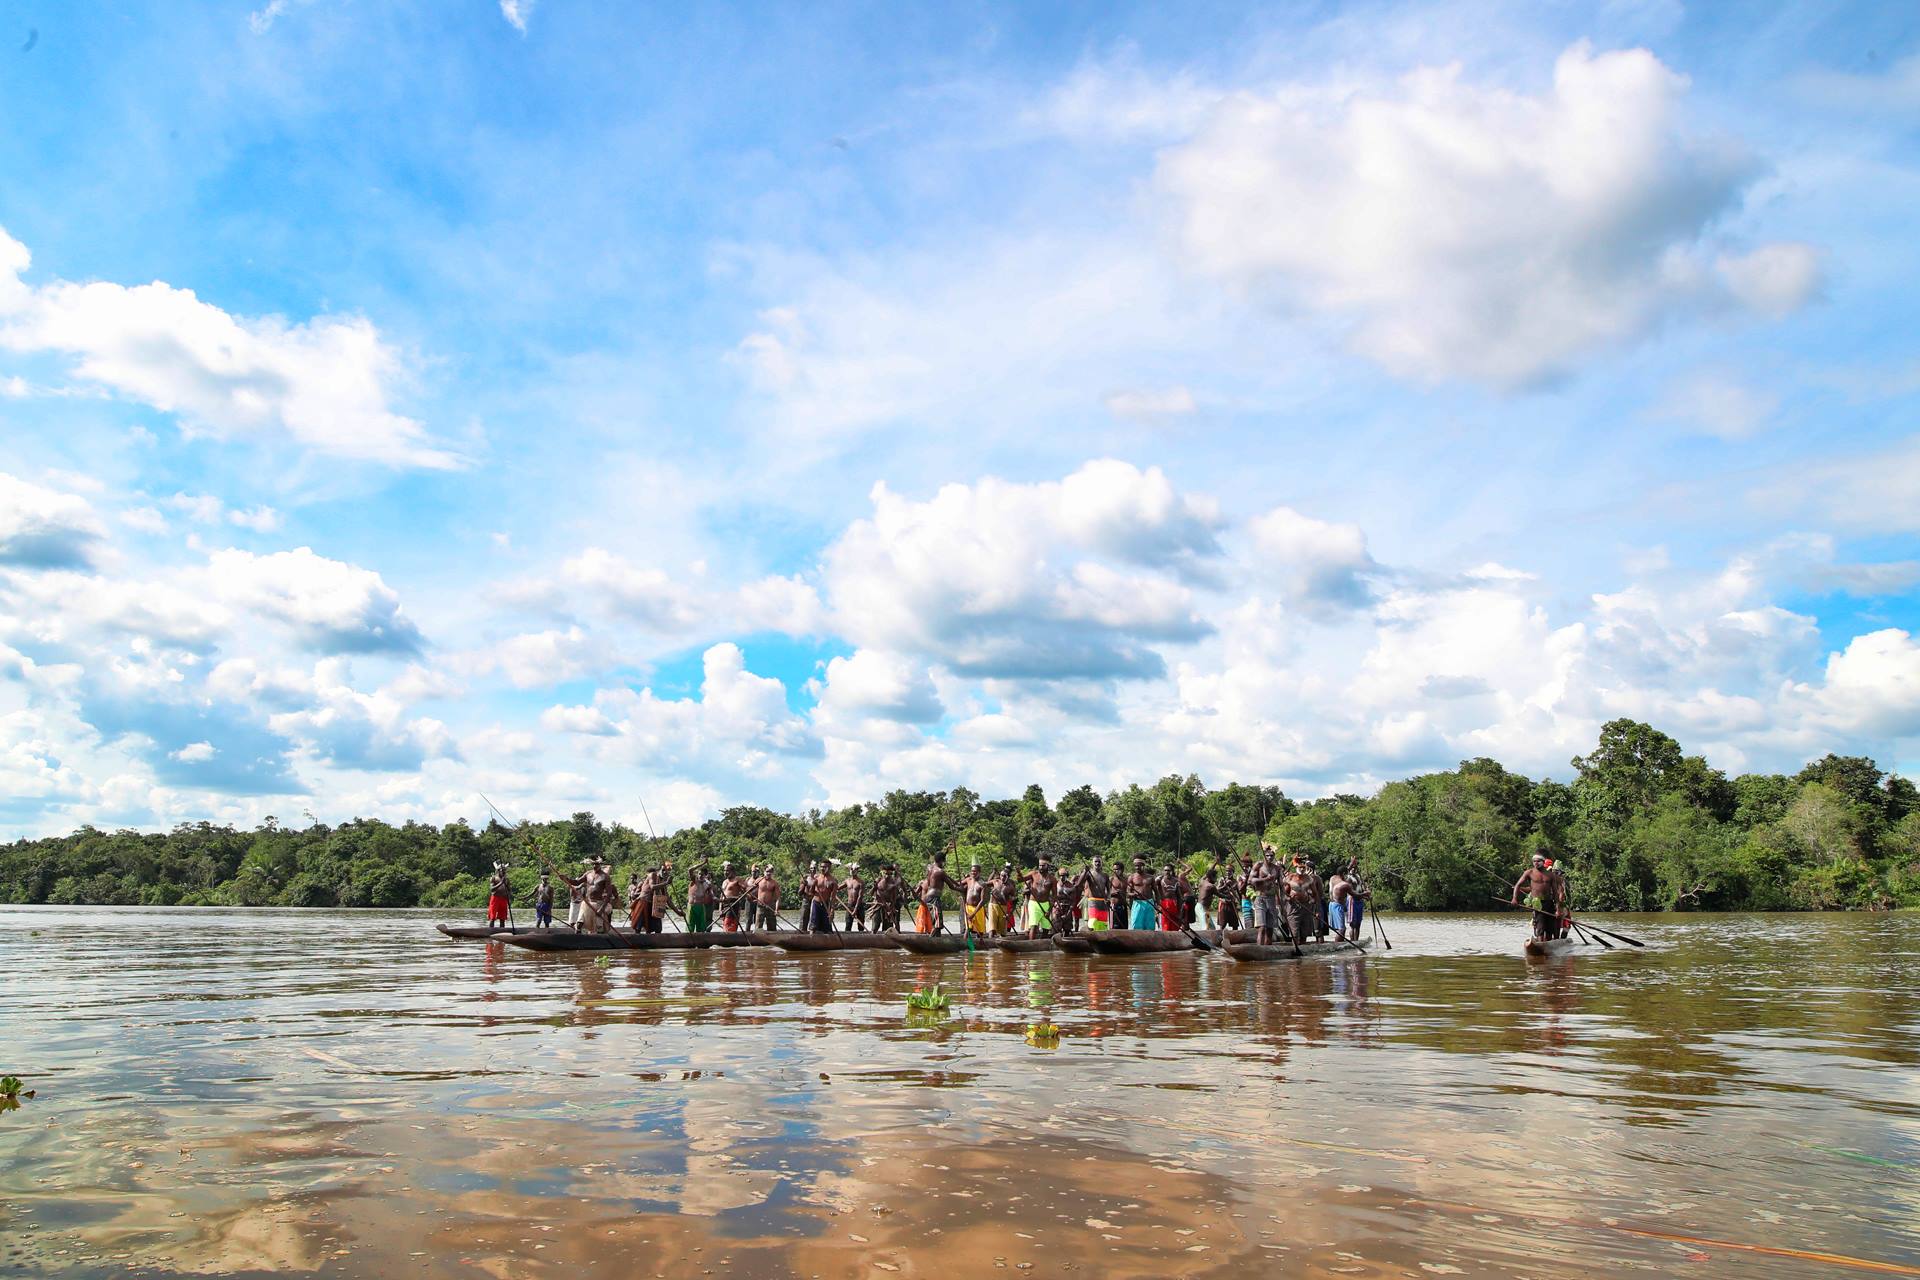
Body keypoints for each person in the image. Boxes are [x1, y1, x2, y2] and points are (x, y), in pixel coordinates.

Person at [1512, 853, 1564, 941]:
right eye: (1534, 861)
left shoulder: (1550, 875)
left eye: (1538, 861)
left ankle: (1548, 945)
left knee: (1550, 928)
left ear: (1543, 862)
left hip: (1549, 903)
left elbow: (1555, 893)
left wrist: (1558, 909)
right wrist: (1514, 898)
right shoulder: (1529, 872)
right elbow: (1517, 885)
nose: (1536, 863)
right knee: (1540, 927)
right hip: (1537, 903)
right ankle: (1540, 943)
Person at [1247, 845, 1283, 946]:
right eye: (1268, 856)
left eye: (1271, 856)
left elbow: (1281, 886)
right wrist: (1265, 879)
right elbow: (1251, 881)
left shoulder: (1277, 868)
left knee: (1270, 928)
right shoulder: (1258, 865)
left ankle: (1268, 949)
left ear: (1274, 856)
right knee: (1262, 927)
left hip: (1271, 899)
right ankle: (1259, 949)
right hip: (1260, 899)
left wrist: (1282, 903)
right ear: (1264, 855)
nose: (1270, 858)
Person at [917, 854, 961, 934]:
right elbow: (951, 886)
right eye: (944, 861)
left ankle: (936, 940)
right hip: (934, 898)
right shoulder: (940, 872)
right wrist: (961, 889)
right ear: (941, 861)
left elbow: (930, 883)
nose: (944, 863)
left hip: (929, 897)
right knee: (938, 924)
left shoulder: (931, 869)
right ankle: (931, 940)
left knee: (936, 923)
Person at [1282, 855, 1318, 948]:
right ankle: (1295, 948)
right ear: (1296, 867)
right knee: (1294, 932)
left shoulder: (1309, 879)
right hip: (1293, 907)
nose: (1302, 869)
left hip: (1306, 907)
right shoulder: (1290, 878)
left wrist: (1315, 907)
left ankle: (1303, 950)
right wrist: (1289, 898)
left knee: (1304, 932)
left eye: (1303, 867)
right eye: (1300, 867)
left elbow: (1315, 894)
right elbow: (1284, 894)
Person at [1024, 856, 1059, 938]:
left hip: (1046, 904)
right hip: (1034, 903)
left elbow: (1054, 896)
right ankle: (1031, 944)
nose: (1041, 867)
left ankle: (1042, 944)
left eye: (1043, 865)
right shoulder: (1034, 874)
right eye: (1039, 865)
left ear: (1047, 866)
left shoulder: (1052, 879)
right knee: (1033, 926)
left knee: (1046, 928)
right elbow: (1020, 879)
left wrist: (1049, 910)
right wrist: (1018, 873)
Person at [581, 859, 617, 933]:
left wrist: (613, 902)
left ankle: (606, 928)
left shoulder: (609, 882)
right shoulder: (590, 875)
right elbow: (579, 884)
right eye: (594, 864)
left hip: (605, 904)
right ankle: (589, 930)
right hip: (593, 903)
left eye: (597, 864)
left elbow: (614, 896)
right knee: (583, 920)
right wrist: (567, 879)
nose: (595, 866)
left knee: (607, 911)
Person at [1080, 856, 1111, 932]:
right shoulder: (1089, 874)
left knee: (1102, 925)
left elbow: (1109, 889)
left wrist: (1108, 898)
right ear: (1092, 863)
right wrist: (1084, 871)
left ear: (1101, 863)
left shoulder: (1105, 875)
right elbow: (1079, 883)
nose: (1097, 863)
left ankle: (1101, 941)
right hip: (1093, 901)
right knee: (1092, 923)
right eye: (1095, 862)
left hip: (1103, 901)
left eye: (1099, 861)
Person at [1125, 858, 1157, 931]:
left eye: (1139, 866)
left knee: (1150, 926)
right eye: (1136, 866)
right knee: (1136, 925)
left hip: (1149, 903)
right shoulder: (1132, 877)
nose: (1137, 867)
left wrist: (1157, 905)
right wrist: (1133, 894)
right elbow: (1127, 893)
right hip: (1137, 903)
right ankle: (1136, 942)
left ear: (1143, 866)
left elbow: (1156, 891)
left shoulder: (1150, 877)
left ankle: (1149, 941)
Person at [872, 864, 905, 932]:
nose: (887, 876)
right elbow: (871, 894)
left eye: (889, 874)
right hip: (878, 906)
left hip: (889, 907)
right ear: (882, 873)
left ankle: (888, 940)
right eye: (885, 873)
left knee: (887, 928)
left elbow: (894, 897)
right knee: (875, 926)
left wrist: (891, 908)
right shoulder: (878, 881)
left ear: (891, 874)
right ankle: (872, 938)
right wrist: (874, 887)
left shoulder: (894, 883)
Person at [961, 863, 990, 937]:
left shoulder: (982, 884)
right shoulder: (968, 880)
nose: (973, 873)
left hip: (978, 909)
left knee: (980, 931)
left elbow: (983, 901)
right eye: (972, 871)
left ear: (979, 872)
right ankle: (965, 943)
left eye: (975, 871)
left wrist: (973, 914)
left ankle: (979, 944)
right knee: (968, 928)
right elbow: (957, 885)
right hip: (968, 908)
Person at [687, 865, 716, 933]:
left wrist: (717, 898)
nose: (700, 876)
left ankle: (700, 941)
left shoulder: (707, 885)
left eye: (702, 874)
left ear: (705, 876)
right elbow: (690, 870)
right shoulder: (694, 881)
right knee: (690, 928)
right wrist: (703, 863)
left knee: (701, 929)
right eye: (699, 874)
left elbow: (712, 895)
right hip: (692, 906)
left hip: (701, 907)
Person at [719, 862, 746, 931]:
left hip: (733, 904)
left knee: (729, 924)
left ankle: (729, 938)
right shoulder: (724, 882)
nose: (725, 872)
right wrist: (720, 909)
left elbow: (746, 889)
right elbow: (721, 896)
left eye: (727, 870)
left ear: (733, 872)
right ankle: (727, 938)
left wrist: (736, 898)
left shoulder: (737, 880)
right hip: (724, 905)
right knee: (725, 924)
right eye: (724, 871)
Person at [988, 867, 1014, 935]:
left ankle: (1002, 942)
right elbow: (985, 884)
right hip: (993, 906)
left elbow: (1014, 901)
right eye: (1001, 876)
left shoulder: (1010, 887)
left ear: (1008, 877)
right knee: (992, 929)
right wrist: (993, 872)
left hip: (1003, 907)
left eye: (1005, 876)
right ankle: (991, 942)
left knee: (1002, 931)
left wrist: (1010, 913)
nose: (1002, 878)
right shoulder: (995, 881)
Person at [755, 864, 782, 931]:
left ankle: (772, 940)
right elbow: (751, 890)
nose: (768, 873)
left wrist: (776, 910)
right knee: (758, 927)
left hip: (770, 907)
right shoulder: (759, 881)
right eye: (767, 871)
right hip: (760, 906)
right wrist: (752, 898)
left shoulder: (774, 883)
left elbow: (778, 898)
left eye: (770, 872)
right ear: (764, 872)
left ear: (772, 873)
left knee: (772, 928)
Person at [840, 864, 867, 931]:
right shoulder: (847, 881)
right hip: (849, 905)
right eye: (851, 869)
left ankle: (861, 939)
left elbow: (860, 897)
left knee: (861, 926)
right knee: (848, 925)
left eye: (854, 869)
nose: (852, 871)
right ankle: (847, 940)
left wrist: (855, 909)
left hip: (859, 906)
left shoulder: (861, 882)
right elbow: (837, 888)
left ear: (857, 871)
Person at [487, 863, 512, 930]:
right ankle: (490, 931)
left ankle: (502, 931)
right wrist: (501, 883)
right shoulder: (494, 878)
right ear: (498, 871)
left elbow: (509, 890)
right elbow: (492, 889)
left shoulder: (507, 879)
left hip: (504, 899)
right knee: (492, 917)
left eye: (504, 870)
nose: (504, 872)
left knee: (502, 918)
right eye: (502, 870)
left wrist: (508, 897)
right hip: (495, 899)